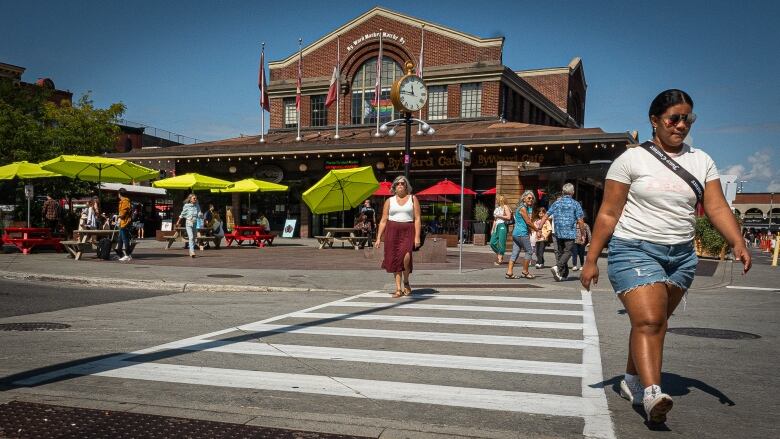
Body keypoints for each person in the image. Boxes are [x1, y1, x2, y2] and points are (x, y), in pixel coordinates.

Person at [580, 89, 751, 424]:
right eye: (674, 118)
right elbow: (609, 212)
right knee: (649, 322)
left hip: (682, 257)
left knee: (655, 323)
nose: (681, 125)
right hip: (634, 248)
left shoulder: (702, 160)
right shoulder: (631, 160)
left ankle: (630, 380)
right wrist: (591, 259)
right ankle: (652, 393)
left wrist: (737, 242)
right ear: (654, 121)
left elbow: (715, 206)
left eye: (688, 118)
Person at [374, 175, 421, 298]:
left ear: (407, 186)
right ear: (394, 187)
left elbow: (417, 219)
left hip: (408, 230)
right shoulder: (389, 201)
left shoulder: (413, 199)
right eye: (398, 184)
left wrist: (417, 237)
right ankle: (398, 288)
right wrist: (378, 237)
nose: (400, 185)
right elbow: (383, 220)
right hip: (392, 231)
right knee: (395, 259)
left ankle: (406, 281)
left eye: (403, 183)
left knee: (406, 257)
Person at [538, 184, 584, 281]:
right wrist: (583, 234)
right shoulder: (575, 204)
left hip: (558, 232)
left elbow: (546, 215)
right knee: (568, 252)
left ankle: (563, 274)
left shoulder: (556, 203)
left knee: (561, 253)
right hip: (570, 233)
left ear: (563, 192)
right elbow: (580, 220)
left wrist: (539, 227)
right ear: (573, 192)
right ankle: (557, 267)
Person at [505, 190, 537, 279]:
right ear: (524, 199)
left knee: (515, 253)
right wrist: (536, 229)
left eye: (532, 198)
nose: (531, 200)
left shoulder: (524, 208)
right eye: (529, 198)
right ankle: (525, 272)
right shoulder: (523, 208)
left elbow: (524, 221)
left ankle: (509, 272)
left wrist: (530, 229)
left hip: (516, 233)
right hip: (522, 233)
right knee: (529, 251)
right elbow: (528, 221)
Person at [489, 194, 512, 265]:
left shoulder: (505, 207)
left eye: (497, 199)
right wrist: (492, 229)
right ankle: (500, 254)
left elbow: (509, 217)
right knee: (492, 243)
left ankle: (499, 259)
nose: (496, 200)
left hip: (502, 225)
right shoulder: (497, 208)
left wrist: (499, 216)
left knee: (501, 242)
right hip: (496, 226)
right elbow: (495, 220)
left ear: (501, 200)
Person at [116, 188, 133, 262]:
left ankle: (127, 255)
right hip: (122, 223)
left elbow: (123, 214)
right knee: (120, 239)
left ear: (120, 194)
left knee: (125, 239)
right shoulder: (123, 201)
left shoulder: (125, 201)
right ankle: (121, 254)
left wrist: (118, 216)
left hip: (125, 223)